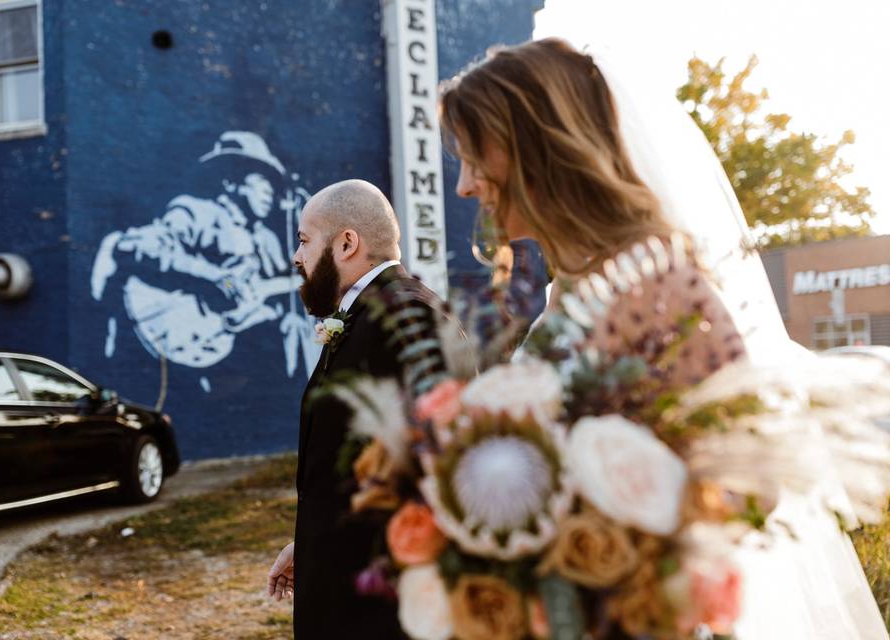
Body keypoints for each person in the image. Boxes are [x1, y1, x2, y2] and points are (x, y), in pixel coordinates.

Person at [438, 37, 887, 639]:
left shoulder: (659, 286)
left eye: (474, 157)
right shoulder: (572, 286)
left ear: (536, 148)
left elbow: (753, 487)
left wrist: (599, 555)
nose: (465, 185)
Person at [266, 179, 448, 638]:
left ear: (347, 243)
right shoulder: (368, 315)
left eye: (305, 240)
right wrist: (309, 544)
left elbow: (432, 485)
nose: (296, 257)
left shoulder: (409, 320)